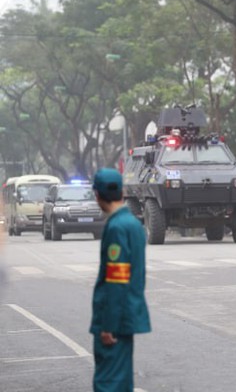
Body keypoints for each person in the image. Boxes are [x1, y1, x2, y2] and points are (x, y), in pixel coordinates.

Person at [90, 168, 151, 391]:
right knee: (122, 380)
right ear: (122, 193)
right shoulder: (134, 225)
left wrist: (109, 325)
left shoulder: (116, 227)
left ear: (97, 195)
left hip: (115, 320)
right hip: (128, 315)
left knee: (108, 382)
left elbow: (117, 280)